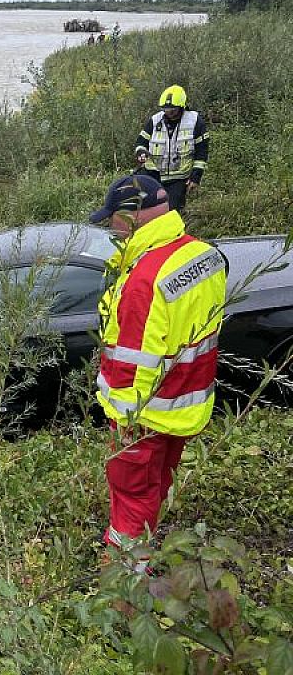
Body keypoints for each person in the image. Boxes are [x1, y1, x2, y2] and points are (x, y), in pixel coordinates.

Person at [90, 174, 226, 569]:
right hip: (183, 403)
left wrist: (123, 424)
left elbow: (133, 369)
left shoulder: (143, 282)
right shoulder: (203, 254)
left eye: (112, 218)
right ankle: (143, 544)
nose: (110, 228)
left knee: (131, 495)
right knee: (155, 485)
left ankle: (125, 582)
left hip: (143, 417)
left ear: (132, 217)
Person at [134, 85, 209, 213]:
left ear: (181, 107)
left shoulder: (195, 122)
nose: (169, 113)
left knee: (171, 212)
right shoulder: (155, 120)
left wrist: (195, 177)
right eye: (166, 110)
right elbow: (141, 141)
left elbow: (202, 153)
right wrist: (141, 152)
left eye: (173, 110)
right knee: (143, 207)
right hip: (153, 175)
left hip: (178, 179)